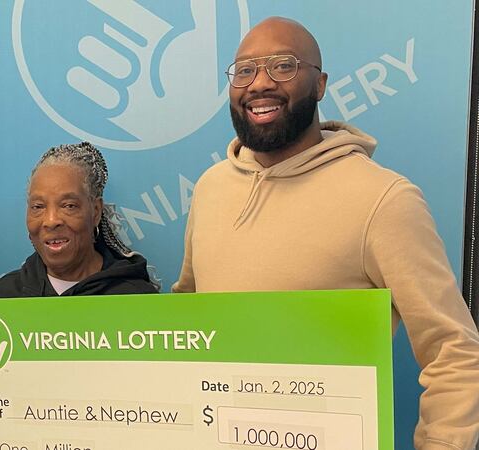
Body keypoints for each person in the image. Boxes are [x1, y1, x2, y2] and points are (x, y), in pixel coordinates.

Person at [172, 16, 479, 449]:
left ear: (320, 85)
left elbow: (454, 351)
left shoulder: (384, 199)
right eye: (245, 70)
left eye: (283, 66)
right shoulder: (210, 188)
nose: (259, 83)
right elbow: (188, 315)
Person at [0, 141, 158, 398]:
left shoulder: (138, 300)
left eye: (68, 205)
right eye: (38, 207)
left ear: (95, 211)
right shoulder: (3, 299)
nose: (51, 220)